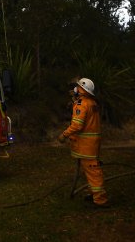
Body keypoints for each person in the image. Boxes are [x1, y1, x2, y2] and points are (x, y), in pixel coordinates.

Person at [57, 77, 109, 207]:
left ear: (82, 90)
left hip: (86, 145)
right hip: (93, 144)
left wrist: (64, 135)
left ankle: (100, 200)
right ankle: (94, 194)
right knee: (91, 170)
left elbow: (77, 125)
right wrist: (75, 101)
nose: (75, 89)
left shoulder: (82, 104)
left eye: (78, 87)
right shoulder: (92, 103)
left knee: (93, 171)